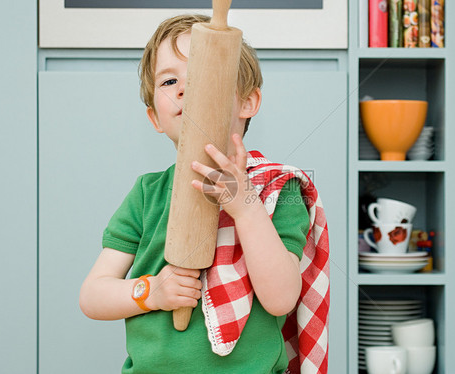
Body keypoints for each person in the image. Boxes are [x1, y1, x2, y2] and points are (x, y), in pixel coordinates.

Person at [79, 14, 317, 374]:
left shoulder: (276, 191)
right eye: (170, 79)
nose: (183, 89)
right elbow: (92, 296)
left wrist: (247, 210)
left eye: (204, 75)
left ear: (248, 102)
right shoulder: (147, 195)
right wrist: (150, 291)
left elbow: (281, 298)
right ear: (155, 118)